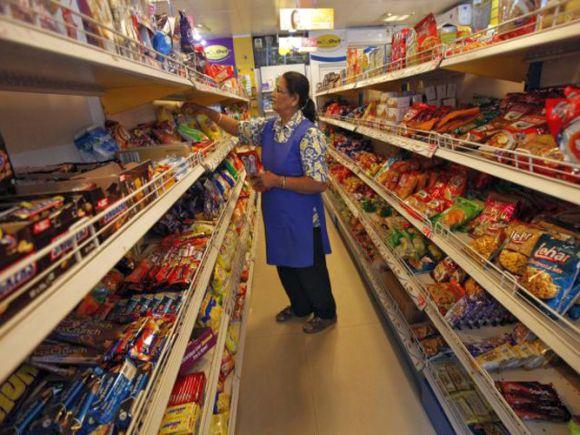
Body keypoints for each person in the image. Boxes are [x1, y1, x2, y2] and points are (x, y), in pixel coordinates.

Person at [187, 71, 337, 334]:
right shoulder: (270, 126)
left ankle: (326, 312)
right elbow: (239, 128)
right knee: (285, 264)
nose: (273, 95)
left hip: (302, 215)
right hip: (277, 211)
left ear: (294, 99)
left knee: (310, 267)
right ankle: (300, 307)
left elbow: (319, 182)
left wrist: (276, 181)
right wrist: (207, 112)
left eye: (279, 90)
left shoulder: (309, 134)